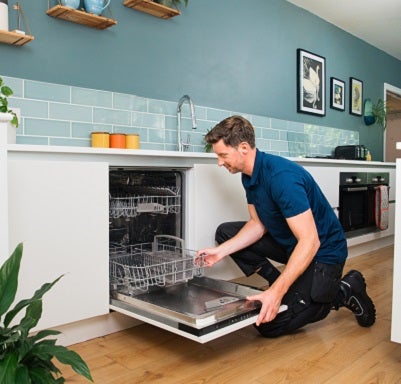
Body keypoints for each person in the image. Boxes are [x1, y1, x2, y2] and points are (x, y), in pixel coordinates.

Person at [196, 115, 376, 338]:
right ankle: (281, 284)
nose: (220, 162)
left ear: (243, 147)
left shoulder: (282, 178)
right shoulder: (248, 175)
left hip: (323, 253)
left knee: (269, 325)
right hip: (293, 244)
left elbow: (310, 241)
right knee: (226, 233)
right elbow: (258, 224)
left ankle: (346, 289)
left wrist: (275, 294)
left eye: (223, 155)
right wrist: (220, 252)